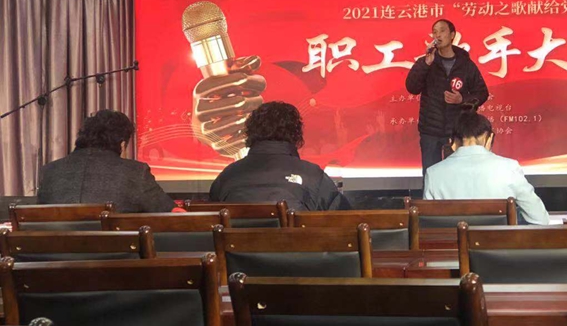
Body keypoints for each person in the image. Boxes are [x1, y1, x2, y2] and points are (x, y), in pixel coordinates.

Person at [209, 101, 351, 210]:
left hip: (239, 242)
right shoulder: (313, 176)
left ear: (250, 133)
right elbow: (346, 221)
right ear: (295, 134)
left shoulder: (227, 176)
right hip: (296, 242)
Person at [423, 104, 549, 225]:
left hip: (452, 240)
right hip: (497, 240)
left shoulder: (433, 174)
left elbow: (427, 225)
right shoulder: (510, 168)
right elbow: (540, 218)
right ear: (489, 139)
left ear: (453, 143)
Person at [37, 109, 178, 213]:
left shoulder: (49, 171)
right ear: (122, 145)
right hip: (115, 247)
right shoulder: (136, 172)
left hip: (53, 246)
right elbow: (172, 214)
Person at [406, 19, 489, 172]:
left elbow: (482, 93)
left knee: (457, 176)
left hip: (457, 131)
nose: (438, 35)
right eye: (434, 32)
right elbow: (412, 87)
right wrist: (425, 64)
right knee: (431, 176)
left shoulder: (465, 64)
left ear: (452, 35)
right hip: (430, 131)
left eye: (442, 31)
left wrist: (462, 100)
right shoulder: (427, 62)